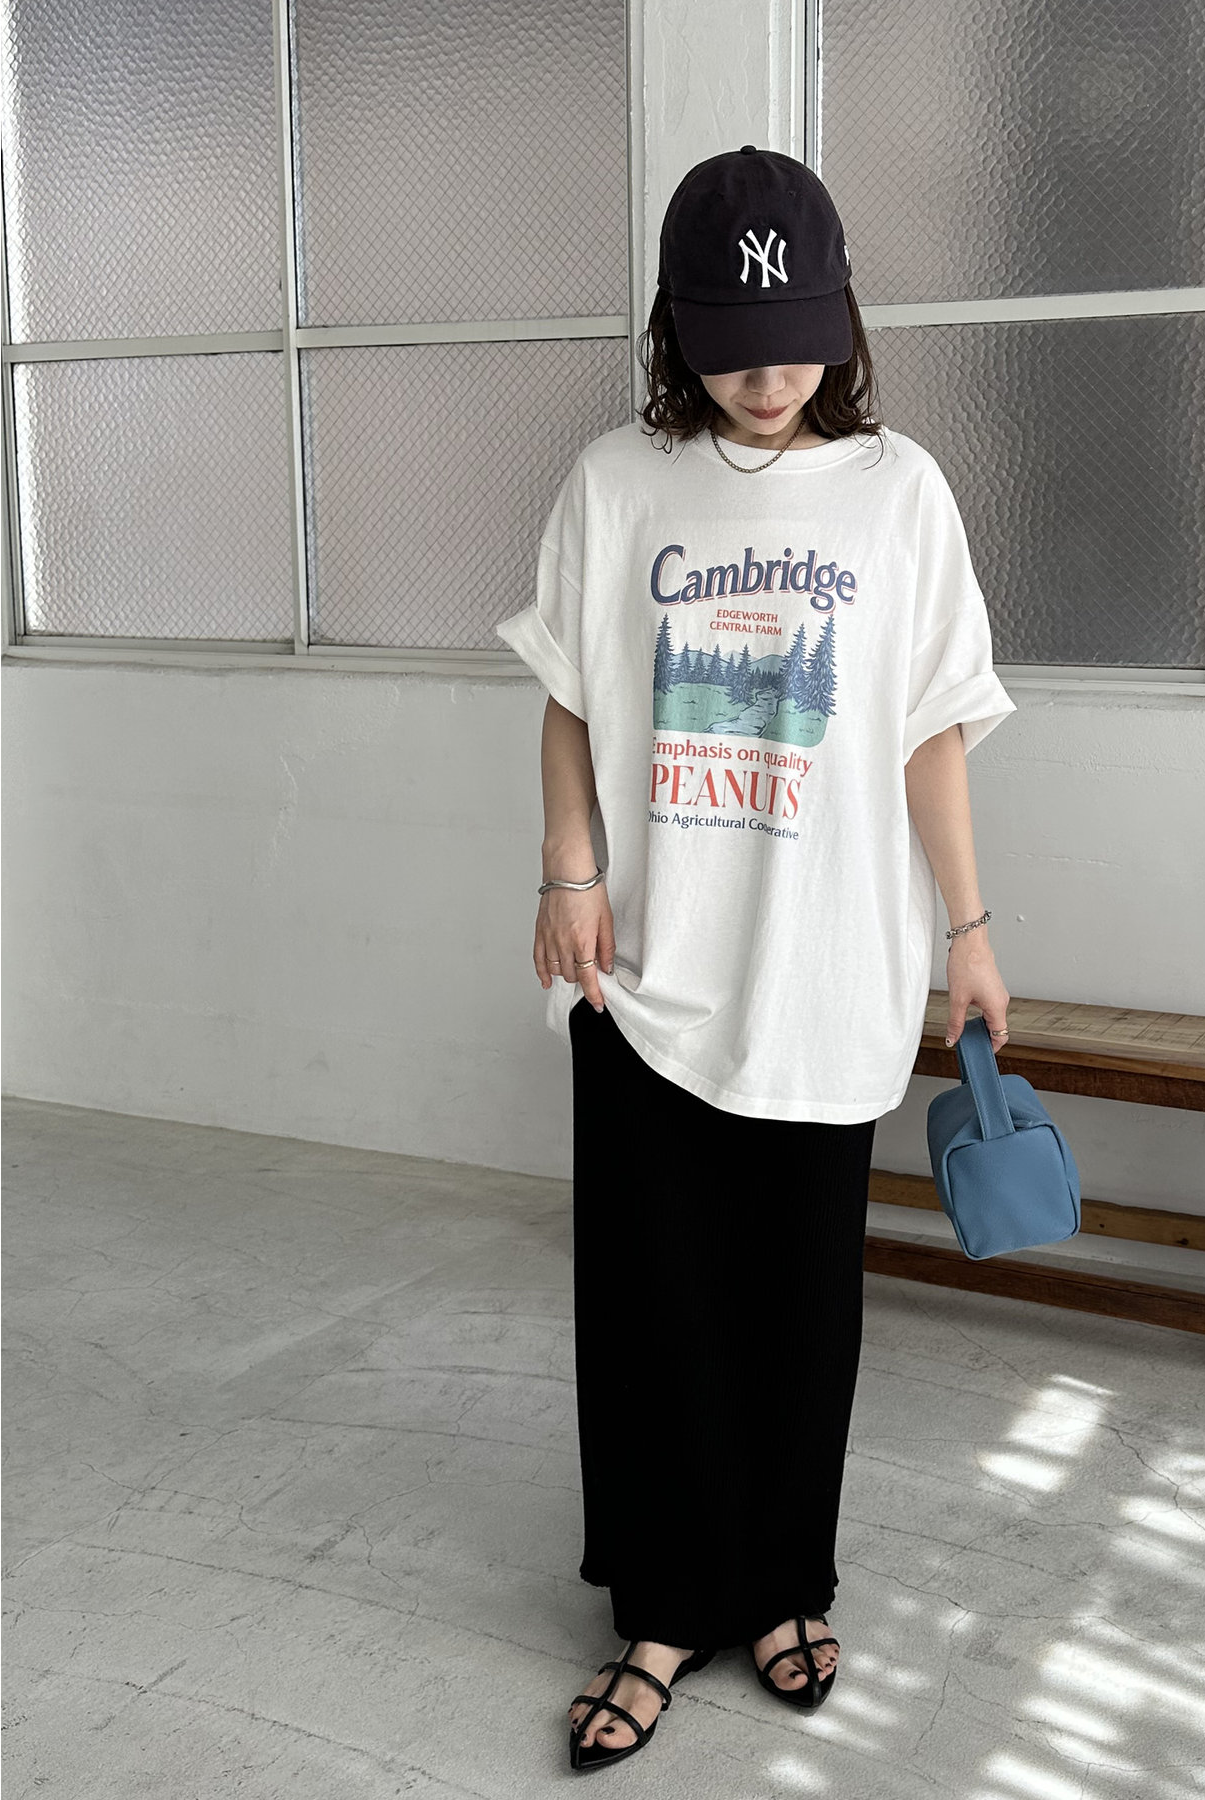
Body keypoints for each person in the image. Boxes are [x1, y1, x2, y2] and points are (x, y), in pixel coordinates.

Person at [495, 146, 1016, 1773]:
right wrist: (568, 869)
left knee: (799, 1305)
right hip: (648, 967)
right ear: (677, 331)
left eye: (793, 340)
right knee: (651, 1306)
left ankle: (785, 1583)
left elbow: (931, 734)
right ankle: (662, 1609)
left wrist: (971, 932)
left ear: (841, 322)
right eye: (731, 344)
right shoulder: (616, 482)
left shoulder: (900, 493)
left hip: (830, 962)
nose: (766, 376)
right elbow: (569, 698)